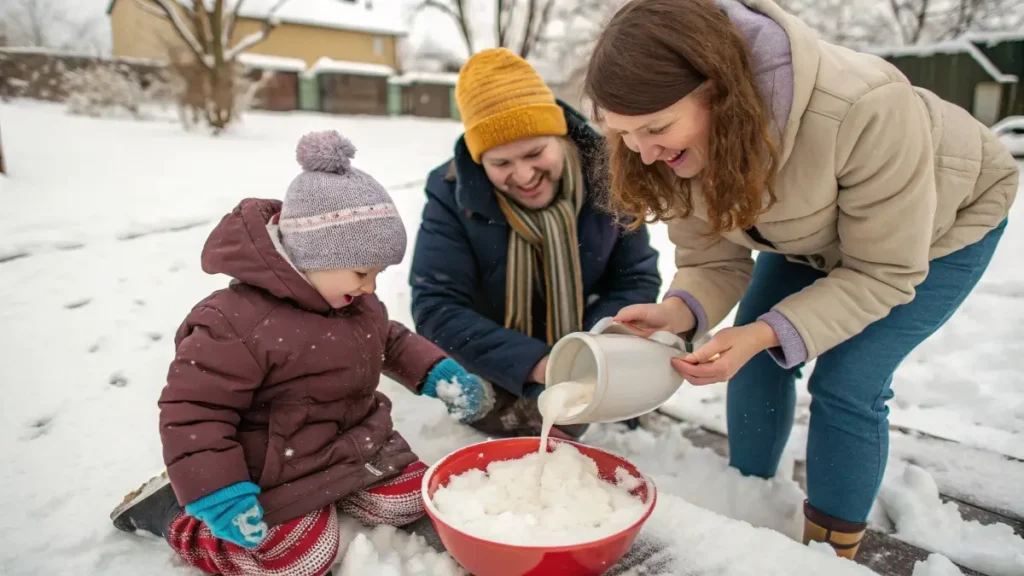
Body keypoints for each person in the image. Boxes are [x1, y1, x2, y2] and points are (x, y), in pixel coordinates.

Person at [583, 0, 1019, 560]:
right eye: (624, 134)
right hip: (806, 231)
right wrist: (680, 311)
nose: (643, 151)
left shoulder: (863, 108)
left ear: (719, 89)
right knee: (755, 357)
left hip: (939, 229)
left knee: (847, 383)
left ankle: (828, 553)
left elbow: (881, 271)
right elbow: (713, 255)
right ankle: (749, 496)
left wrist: (768, 331)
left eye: (656, 128)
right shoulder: (672, 147)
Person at [107, 130, 493, 576]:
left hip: (356, 448)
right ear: (312, 256)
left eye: (379, 273)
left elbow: (389, 339)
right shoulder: (235, 324)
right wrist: (221, 490)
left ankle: (346, 492)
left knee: (423, 496)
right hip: (273, 472)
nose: (372, 286)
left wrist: (440, 373)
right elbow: (195, 412)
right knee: (300, 557)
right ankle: (176, 516)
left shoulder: (354, 301)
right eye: (362, 271)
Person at [409, 47, 662, 439]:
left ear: (558, 134)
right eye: (501, 164)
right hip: (497, 364)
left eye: (534, 153)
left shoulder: (611, 177)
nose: (524, 175)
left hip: (592, 352)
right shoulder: (450, 193)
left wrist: (591, 349)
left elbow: (635, 278)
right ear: (480, 162)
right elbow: (436, 306)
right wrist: (539, 364)